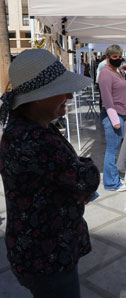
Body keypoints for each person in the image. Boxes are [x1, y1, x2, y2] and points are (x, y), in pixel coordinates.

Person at [0, 49, 100, 298]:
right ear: (36, 98)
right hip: (46, 259)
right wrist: (82, 178)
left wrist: (75, 180)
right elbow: (86, 177)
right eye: (60, 89)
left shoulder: (27, 128)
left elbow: (71, 175)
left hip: (35, 253)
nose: (68, 95)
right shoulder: (34, 139)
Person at [98, 45, 126, 191]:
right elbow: (107, 99)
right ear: (108, 58)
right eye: (115, 57)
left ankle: (114, 177)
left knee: (115, 148)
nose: (118, 59)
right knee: (111, 149)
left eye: (119, 56)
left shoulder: (117, 72)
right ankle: (111, 183)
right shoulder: (105, 74)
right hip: (113, 115)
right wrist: (115, 120)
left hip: (121, 114)